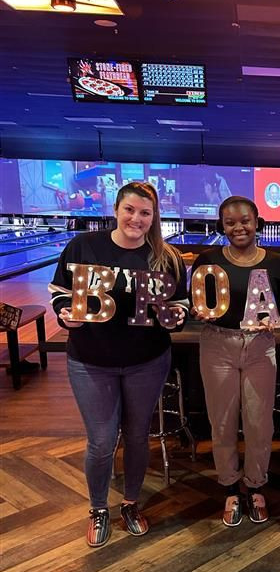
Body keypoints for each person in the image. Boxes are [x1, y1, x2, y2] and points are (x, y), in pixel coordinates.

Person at [49, 181, 188, 548]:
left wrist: (175, 315)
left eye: (145, 213)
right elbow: (60, 295)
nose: (136, 219)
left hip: (147, 360)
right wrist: (65, 316)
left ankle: (130, 504)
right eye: (130, 210)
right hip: (91, 361)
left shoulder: (166, 257)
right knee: (101, 441)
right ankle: (98, 509)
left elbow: (183, 304)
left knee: (138, 436)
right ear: (115, 209)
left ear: (154, 216)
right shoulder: (83, 246)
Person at [189, 196, 280, 527]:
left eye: (245, 220)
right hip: (218, 343)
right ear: (222, 226)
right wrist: (195, 312)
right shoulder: (207, 260)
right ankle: (230, 488)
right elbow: (197, 305)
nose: (239, 227)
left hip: (260, 345)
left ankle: (256, 485)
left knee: (259, 422)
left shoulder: (277, 263)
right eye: (231, 222)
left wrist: (277, 322)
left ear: (257, 221)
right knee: (221, 422)